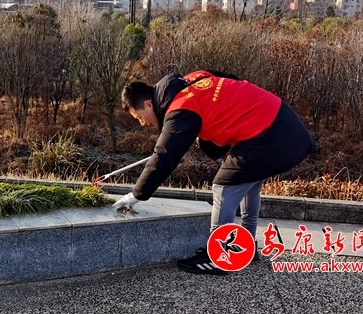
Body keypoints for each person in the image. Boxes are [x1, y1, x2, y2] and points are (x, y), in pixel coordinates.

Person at [115, 70, 317, 274]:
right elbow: (233, 84)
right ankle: (246, 245)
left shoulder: (180, 109)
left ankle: (218, 256)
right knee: (250, 184)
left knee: (224, 187)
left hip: (269, 135)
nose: (142, 123)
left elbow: (164, 156)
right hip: (282, 121)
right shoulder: (193, 79)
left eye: (139, 117)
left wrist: (136, 195)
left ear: (149, 104)